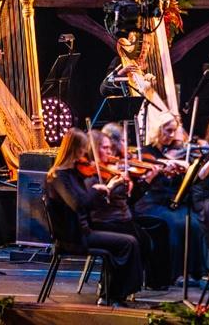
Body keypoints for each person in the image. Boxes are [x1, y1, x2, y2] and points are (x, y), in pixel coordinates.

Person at [47, 130, 145, 307]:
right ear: (75, 149)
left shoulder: (71, 174)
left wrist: (104, 189)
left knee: (129, 238)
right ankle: (113, 296)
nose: (85, 154)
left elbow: (86, 203)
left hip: (83, 230)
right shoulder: (59, 176)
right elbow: (78, 204)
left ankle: (114, 294)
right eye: (83, 149)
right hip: (74, 237)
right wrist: (99, 189)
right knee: (128, 242)